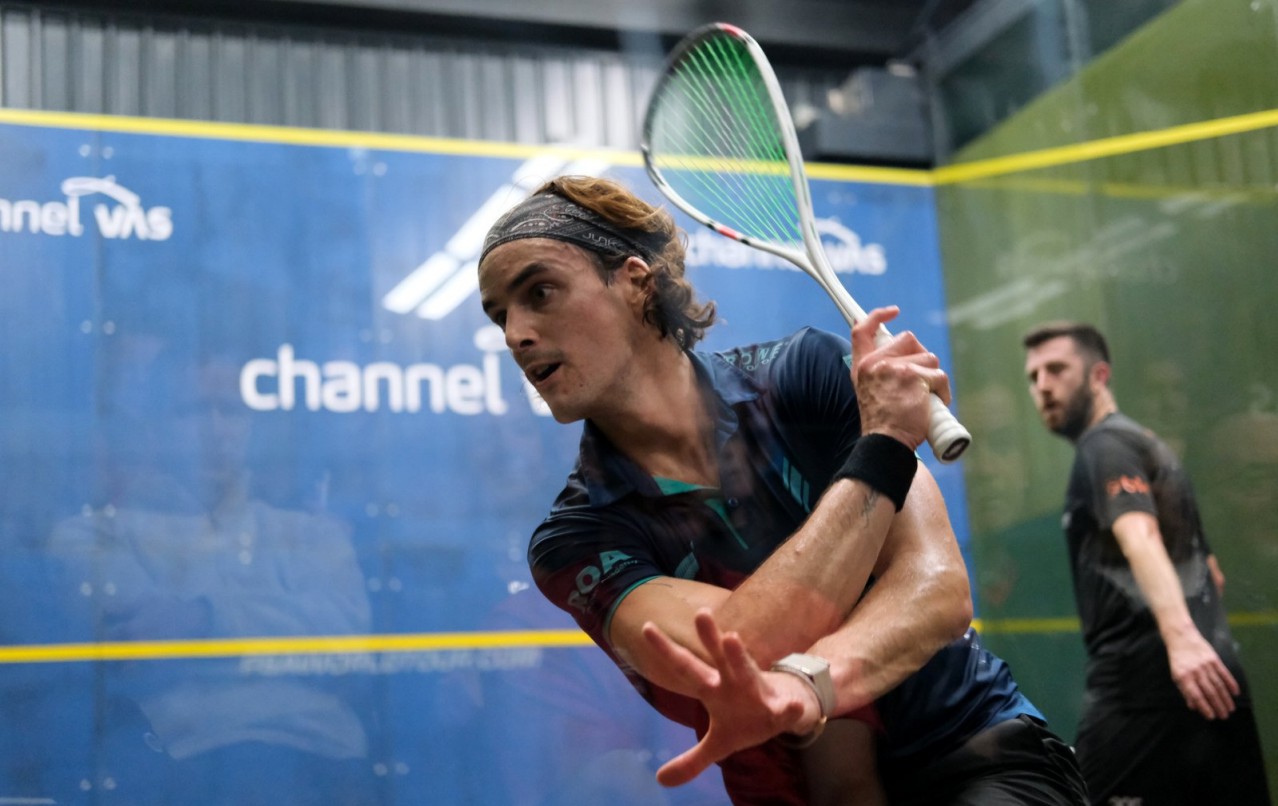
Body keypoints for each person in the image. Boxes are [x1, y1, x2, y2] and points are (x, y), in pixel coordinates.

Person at [477, 174, 1086, 805]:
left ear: (635, 282)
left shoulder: (806, 374)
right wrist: (882, 446)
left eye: (540, 292)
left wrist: (804, 685)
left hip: (976, 758)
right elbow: (732, 654)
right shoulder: (574, 538)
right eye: (500, 316)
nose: (516, 334)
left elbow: (937, 591)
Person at [1022, 321, 1271, 806]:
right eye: (1034, 377)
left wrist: (1181, 643)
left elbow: (1140, 537)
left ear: (1099, 376)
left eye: (1056, 369)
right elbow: (1211, 573)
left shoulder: (1104, 446)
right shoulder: (1148, 446)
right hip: (1214, 682)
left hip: (1143, 690)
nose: (1043, 386)